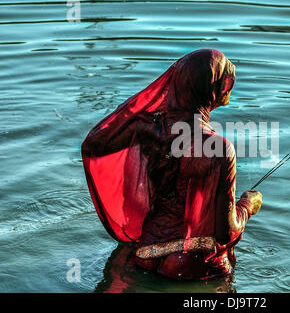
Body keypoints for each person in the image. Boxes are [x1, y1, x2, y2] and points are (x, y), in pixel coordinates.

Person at [81, 48, 262, 281]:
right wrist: (247, 206)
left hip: (146, 251)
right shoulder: (219, 148)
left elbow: (94, 145)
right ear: (211, 89)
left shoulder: (147, 129)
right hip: (188, 263)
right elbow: (224, 232)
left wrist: (140, 109)